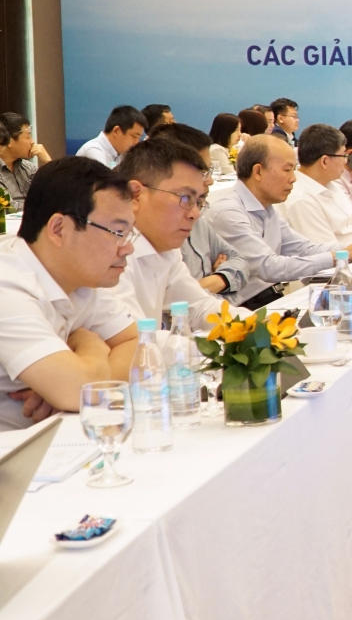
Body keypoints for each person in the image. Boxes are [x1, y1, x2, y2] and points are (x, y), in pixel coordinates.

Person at [0, 158, 139, 429]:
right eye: (117, 232)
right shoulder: (7, 285)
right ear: (58, 229)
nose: (127, 248)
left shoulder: (80, 279)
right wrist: (90, 344)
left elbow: (139, 345)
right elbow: (77, 392)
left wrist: (80, 383)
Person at [205, 135, 352, 309]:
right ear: (258, 171)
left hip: (272, 298)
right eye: (287, 170)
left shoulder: (266, 208)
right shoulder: (229, 213)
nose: (293, 178)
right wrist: (342, 255)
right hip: (244, 307)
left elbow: (305, 248)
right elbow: (269, 267)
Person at [105, 138, 231, 330]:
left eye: (198, 201)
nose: (195, 214)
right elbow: (133, 338)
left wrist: (253, 325)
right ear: (136, 195)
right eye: (185, 198)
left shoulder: (165, 248)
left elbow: (199, 307)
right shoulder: (107, 252)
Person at [148, 123, 250, 301]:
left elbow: (239, 261)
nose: (210, 181)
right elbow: (173, 301)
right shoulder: (148, 237)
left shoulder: (196, 218)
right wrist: (203, 288)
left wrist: (218, 279)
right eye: (202, 172)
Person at [277, 124, 352, 248]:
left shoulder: (332, 185)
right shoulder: (301, 200)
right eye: (343, 156)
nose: (346, 161)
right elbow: (326, 252)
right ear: (325, 161)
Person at [0, 112, 53, 209]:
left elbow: (54, 195)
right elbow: (7, 207)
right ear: (8, 140)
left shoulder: (28, 168)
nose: (32, 142)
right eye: (28, 137)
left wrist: (49, 163)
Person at [76, 105, 148, 166]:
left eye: (139, 138)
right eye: (134, 136)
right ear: (116, 131)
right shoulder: (93, 150)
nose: (136, 142)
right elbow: (107, 178)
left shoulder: (120, 153)